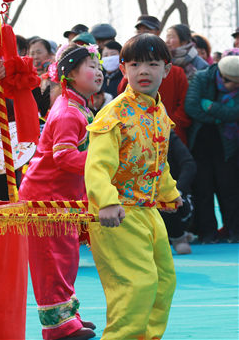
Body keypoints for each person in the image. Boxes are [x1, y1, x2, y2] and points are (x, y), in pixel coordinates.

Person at [85, 33, 182, 340]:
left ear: (166, 69)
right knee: (135, 285)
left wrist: (170, 193)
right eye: (135, 64)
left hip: (148, 212)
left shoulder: (158, 112)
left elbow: (158, 160)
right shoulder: (114, 114)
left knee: (164, 281)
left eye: (152, 64)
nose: (144, 71)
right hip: (119, 214)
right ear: (123, 69)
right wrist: (107, 201)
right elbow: (97, 165)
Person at [20, 43, 103, 340]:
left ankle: (69, 318)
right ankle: (58, 328)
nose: (99, 72)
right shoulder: (69, 111)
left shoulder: (78, 105)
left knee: (64, 261)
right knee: (52, 264)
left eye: (99, 67)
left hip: (60, 198)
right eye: (91, 67)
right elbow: (64, 157)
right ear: (69, 75)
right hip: (45, 200)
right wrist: (101, 162)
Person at [184, 55, 239, 243]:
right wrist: (219, 118)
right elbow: (191, 107)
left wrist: (211, 107)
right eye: (235, 84)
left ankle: (234, 232)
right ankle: (208, 233)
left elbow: (236, 113)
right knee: (203, 189)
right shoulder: (201, 78)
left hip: (228, 145)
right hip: (200, 143)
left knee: (229, 188)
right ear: (223, 78)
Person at [161, 130, 196, 254]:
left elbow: (189, 164)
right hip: (135, 196)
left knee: (168, 200)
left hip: (170, 196)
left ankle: (178, 237)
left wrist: (176, 192)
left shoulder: (167, 135)